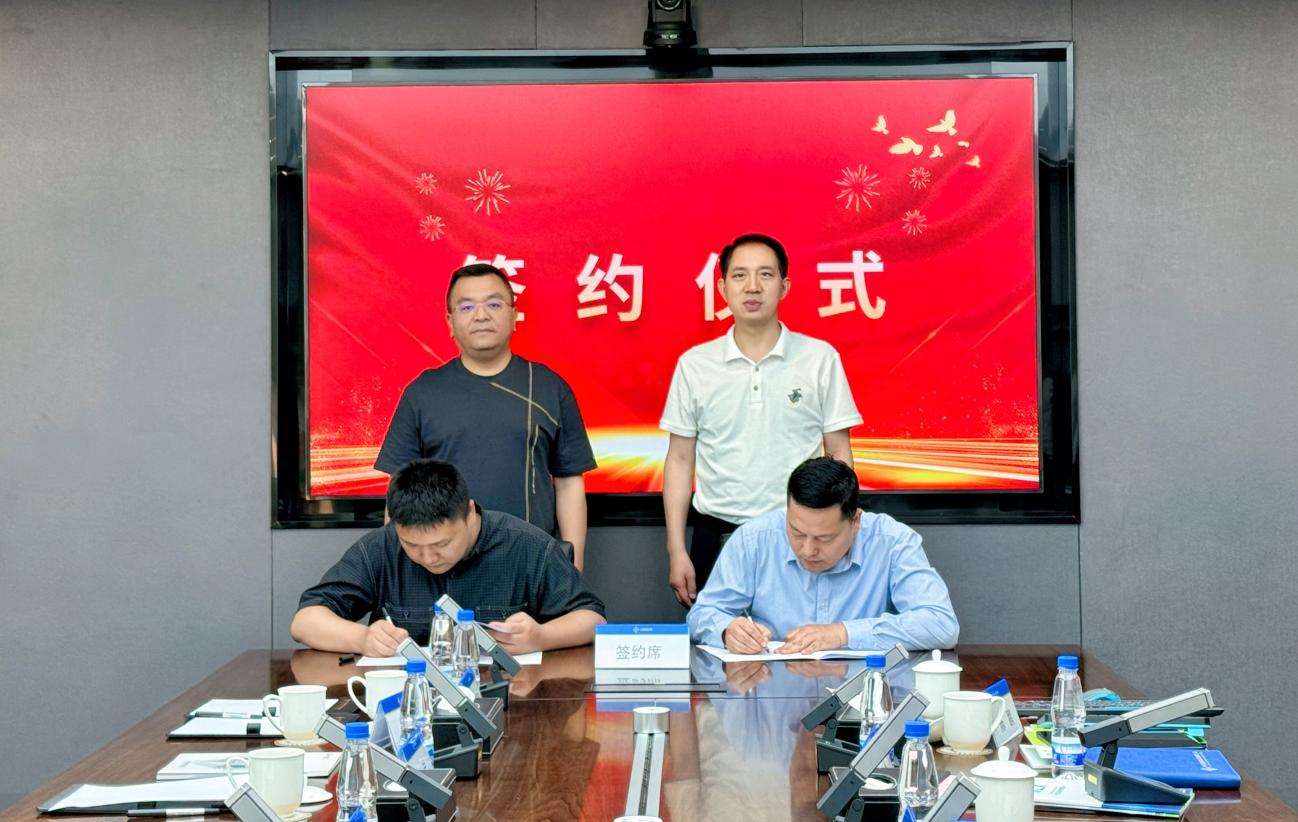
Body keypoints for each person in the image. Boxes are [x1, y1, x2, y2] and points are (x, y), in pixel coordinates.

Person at [661, 233, 862, 604]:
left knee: (805, 635)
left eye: (766, 275)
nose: (752, 286)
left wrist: (841, 534)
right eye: (740, 275)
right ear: (722, 288)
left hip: (798, 533)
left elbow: (838, 454)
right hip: (716, 533)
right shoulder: (695, 365)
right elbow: (679, 459)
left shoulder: (819, 359)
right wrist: (676, 549)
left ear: (784, 287)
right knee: (716, 636)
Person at [375, 262, 597, 569]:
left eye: (494, 304)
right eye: (467, 307)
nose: (481, 315)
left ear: (514, 315)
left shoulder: (549, 387)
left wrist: (573, 566)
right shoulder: (423, 392)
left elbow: (569, 484)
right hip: (443, 564)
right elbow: (399, 489)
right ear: (450, 321)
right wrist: (397, 569)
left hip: (530, 562)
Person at [291, 459, 606, 657]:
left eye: (442, 543)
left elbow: (592, 619)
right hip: (409, 704)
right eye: (412, 545)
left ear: (469, 512)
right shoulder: (381, 547)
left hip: (511, 701)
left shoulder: (526, 545)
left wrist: (541, 637)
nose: (429, 557)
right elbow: (305, 621)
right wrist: (362, 638)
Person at [686, 456, 958, 653]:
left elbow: (941, 624)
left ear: (855, 521)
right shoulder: (754, 539)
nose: (807, 550)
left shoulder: (892, 541)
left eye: (824, 538)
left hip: (862, 693)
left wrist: (842, 633)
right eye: (797, 532)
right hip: (771, 690)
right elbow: (703, 614)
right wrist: (727, 630)